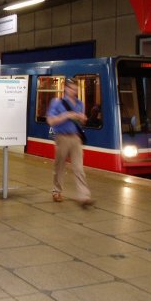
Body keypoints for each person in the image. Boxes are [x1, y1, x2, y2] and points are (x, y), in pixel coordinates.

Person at [46, 78, 94, 207]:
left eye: (76, 88)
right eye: (72, 88)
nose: (74, 91)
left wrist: (82, 118)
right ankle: (57, 191)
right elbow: (50, 121)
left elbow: (82, 121)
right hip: (62, 137)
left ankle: (84, 196)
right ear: (66, 89)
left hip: (76, 137)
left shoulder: (80, 104)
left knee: (79, 168)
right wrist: (66, 115)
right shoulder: (57, 102)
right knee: (60, 166)